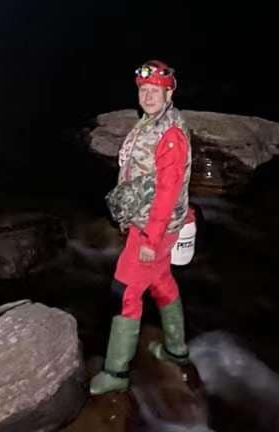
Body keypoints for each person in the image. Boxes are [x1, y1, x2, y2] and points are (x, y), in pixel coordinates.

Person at [90, 59, 192, 395]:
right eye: (144, 90)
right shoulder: (152, 121)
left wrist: (150, 238)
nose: (148, 96)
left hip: (153, 228)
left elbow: (168, 191)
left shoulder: (170, 134)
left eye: (155, 91)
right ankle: (176, 350)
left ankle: (116, 373)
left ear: (169, 94)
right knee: (160, 281)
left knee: (125, 292)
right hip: (155, 225)